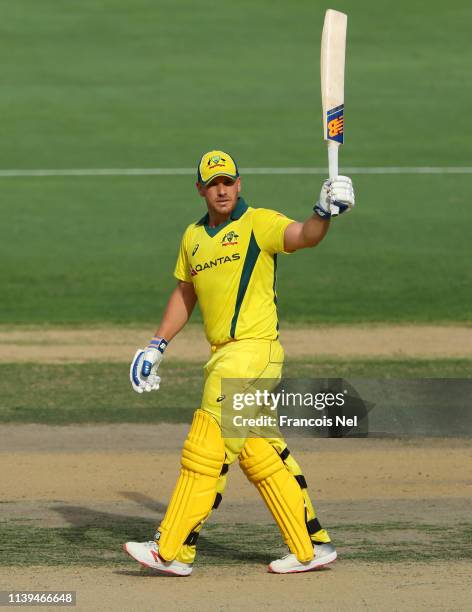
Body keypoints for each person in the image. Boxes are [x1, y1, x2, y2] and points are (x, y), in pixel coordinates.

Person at [124, 150, 355, 575]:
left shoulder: (258, 223)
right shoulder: (193, 237)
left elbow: (305, 235)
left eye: (228, 181)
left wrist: (323, 211)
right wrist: (157, 344)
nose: (222, 190)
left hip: (252, 352)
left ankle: (171, 549)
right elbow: (184, 293)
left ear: (239, 183)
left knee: (206, 442)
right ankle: (310, 548)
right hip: (223, 356)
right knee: (257, 451)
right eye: (213, 184)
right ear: (201, 189)